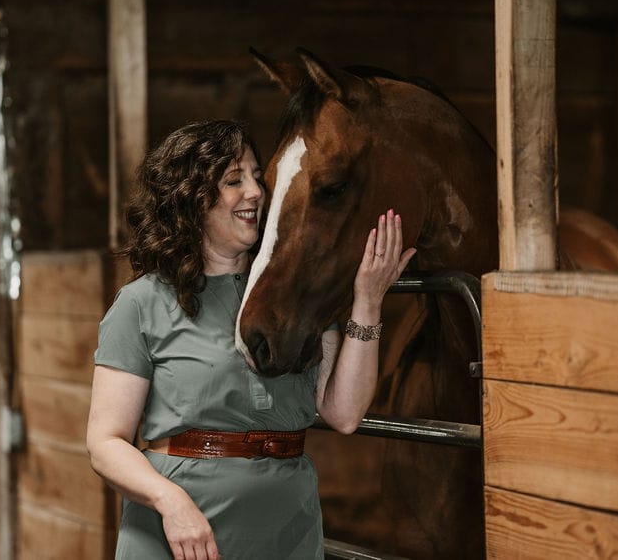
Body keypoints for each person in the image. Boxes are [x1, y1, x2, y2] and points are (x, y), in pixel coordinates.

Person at [86, 120, 415, 560]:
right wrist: (171, 502)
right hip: (181, 535)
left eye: (258, 177)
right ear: (192, 199)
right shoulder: (142, 302)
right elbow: (105, 442)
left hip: (287, 529)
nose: (256, 192)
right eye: (233, 180)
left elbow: (344, 413)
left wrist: (368, 302)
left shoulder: (292, 295)